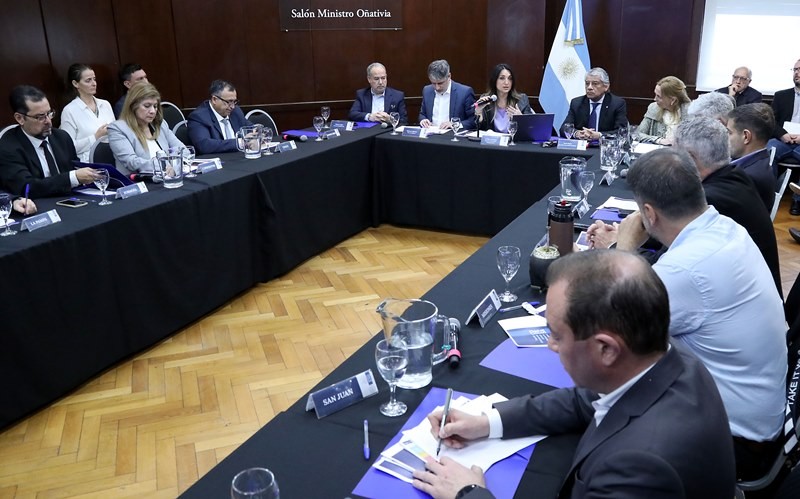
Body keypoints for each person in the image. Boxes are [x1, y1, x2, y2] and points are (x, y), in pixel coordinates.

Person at [411, 250, 736, 499]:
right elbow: (585, 400)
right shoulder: (667, 357)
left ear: (606, 349)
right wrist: (487, 423)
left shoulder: (639, 468)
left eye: (556, 335)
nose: (550, 345)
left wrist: (468, 494)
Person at [592, 148, 786, 481]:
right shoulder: (725, 227)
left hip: (735, 441)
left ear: (648, 213)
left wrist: (623, 249)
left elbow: (610, 327)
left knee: (597, 414)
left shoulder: (685, 270)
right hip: (761, 419)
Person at [0, 85, 101, 197]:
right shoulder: (8, 147)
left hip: (71, 200)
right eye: (40, 117)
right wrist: (72, 178)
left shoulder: (62, 137)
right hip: (37, 204)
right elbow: (26, 187)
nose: (48, 121)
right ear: (20, 118)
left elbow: (74, 169)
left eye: (49, 113)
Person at [108, 83, 184, 175]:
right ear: (133, 106)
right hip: (139, 181)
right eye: (147, 106)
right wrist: (165, 166)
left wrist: (175, 167)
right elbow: (132, 162)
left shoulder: (160, 124)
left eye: (155, 106)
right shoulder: (118, 129)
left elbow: (183, 150)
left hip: (168, 177)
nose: (153, 111)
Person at [59, 63, 116, 162]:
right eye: (88, 80)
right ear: (75, 84)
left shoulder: (105, 104)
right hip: (89, 163)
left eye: (94, 79)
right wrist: (95, 137)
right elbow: (69, 147)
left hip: (114, 156)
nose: (94, 83)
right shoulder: (69, 110)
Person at [726, 103, 778, 212]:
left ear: (746, 136)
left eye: (729, 132)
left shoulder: (746, 177)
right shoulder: (758, 162)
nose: (725, 137)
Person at [767, 58, 800, 214]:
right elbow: (771, 121)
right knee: (768, 151)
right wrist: (782, 134)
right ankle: (769, 196)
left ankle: (798, 200)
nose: (797, 73)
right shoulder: (781, 95)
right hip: (783, 140)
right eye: (795, 69)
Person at [187, 80, 252, 154]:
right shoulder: (199, 117)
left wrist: (257, 131)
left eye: (234, 102)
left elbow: (249, 127)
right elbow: (204, 145)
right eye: (229, 102)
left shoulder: (235, 111)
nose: (232, 106)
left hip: (240, 157)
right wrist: (240, 143)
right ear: (214, 99)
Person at [561, 67, 628, 140]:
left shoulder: (617, 104)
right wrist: (577, 133)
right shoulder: (577, 103)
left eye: (595, 84)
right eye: (587, 83)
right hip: (582, 145)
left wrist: (599, 135)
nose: (589, 87)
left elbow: (621, 132)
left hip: (603, 145)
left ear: (606, 86)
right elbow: (564, 128)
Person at [475, 63, 533, 133]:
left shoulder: (521, 100)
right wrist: (478, 112)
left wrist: (520, 119)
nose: (506, 82)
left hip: (514, 139)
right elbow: (480, 129)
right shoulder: (487, 100)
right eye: (502, 78)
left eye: (510, 78)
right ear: (494, 80)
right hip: (492, 140)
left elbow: (531, 128)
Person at [419, 60, 476, 130]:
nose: (437, 87)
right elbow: (422, 114)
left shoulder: (464, 92)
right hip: (430, 134)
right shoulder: (427, 90)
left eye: (440, 83)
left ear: (449, 76)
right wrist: (423, 120)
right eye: (433, 83)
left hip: (452, 134)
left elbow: (473, 120)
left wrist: (455, 124)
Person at [637, 76, 690, 145]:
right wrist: (659, 140)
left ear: (673, 100)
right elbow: (638, 134)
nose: (655, 99)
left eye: (658, 96)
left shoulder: (690, 113)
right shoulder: (653, 108)